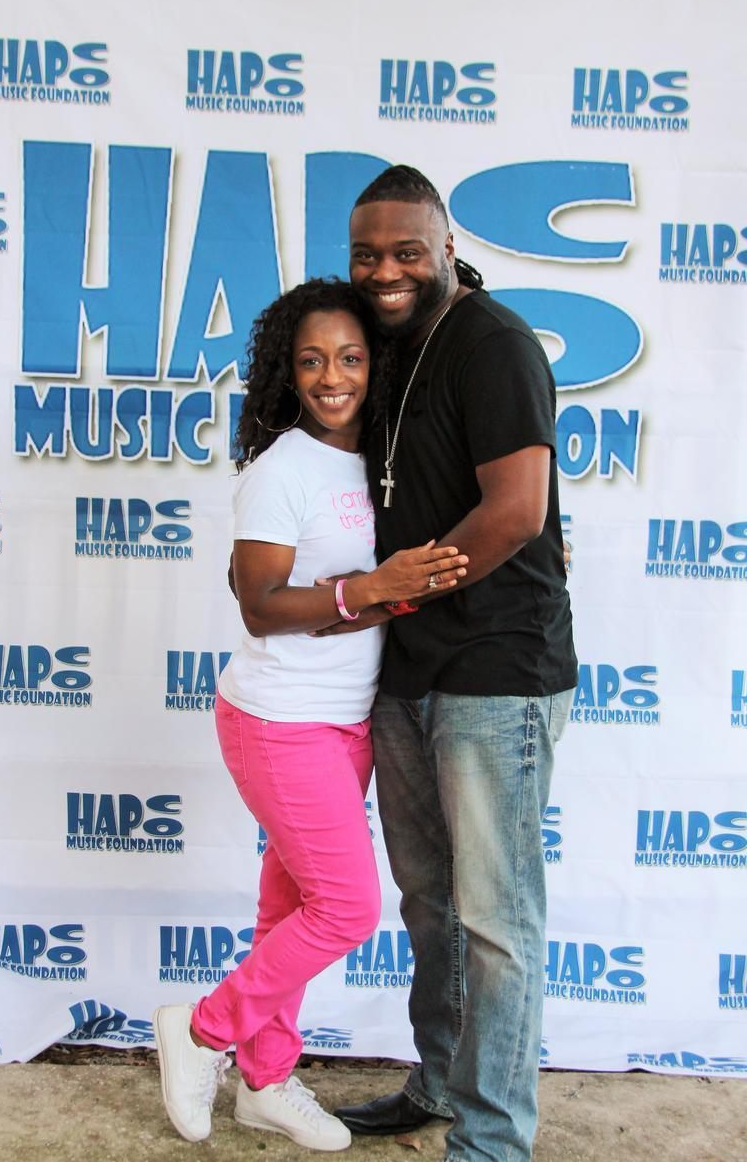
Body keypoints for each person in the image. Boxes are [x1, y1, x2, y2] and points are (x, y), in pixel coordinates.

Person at [152, 278, 468, 1151]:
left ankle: (265, 1080)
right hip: (278, 719)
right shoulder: (281, 468)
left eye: (352, 358)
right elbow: (259, 604)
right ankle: (203, 1030)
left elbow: (391, 586)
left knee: (287, 907)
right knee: (346, 908)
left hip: (348, 720)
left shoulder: (383, 459)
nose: (334, 377)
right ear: (287, 373)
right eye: (312, 361)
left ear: (377, 365)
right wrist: (366, 589)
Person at [324, 167, 578, 1162]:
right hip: (408, 672)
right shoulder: (384, 348)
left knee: (494, 921)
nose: (383, 271)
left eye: (404, 252)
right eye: (365, 255)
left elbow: (515, 513)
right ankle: (438, 1081)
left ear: (445, 249)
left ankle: (492, 1139)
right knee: (430, 905)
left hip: (497, 671)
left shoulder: (494, 344)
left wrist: (394, 593)